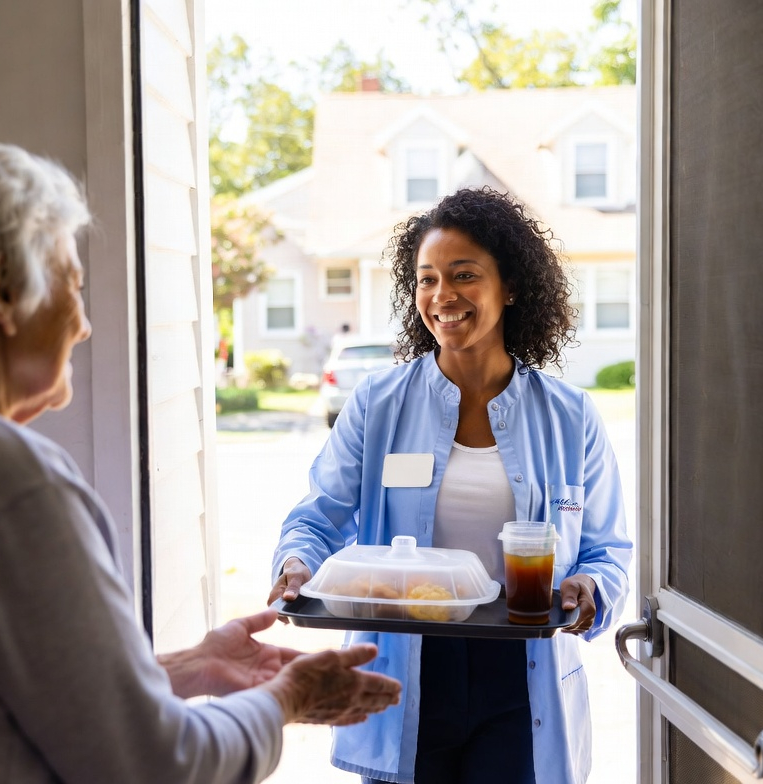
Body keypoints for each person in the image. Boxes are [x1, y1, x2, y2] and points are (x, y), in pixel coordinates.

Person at [0, 137, 400, 783]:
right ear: (1, 290)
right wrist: (287, 699)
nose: (83, 323)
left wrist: (184, 669)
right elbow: (154, 765)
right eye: (72, 284)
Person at [268, 187, 632, 784]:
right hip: (405, 669)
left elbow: (607, 546)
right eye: (427, 278)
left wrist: (590, 586)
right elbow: (318, 516)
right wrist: (297, 562)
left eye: (464, 275)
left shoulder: (570, 416)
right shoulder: (377, 405)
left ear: (510, 286)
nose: (442, 296)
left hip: (522, 674)